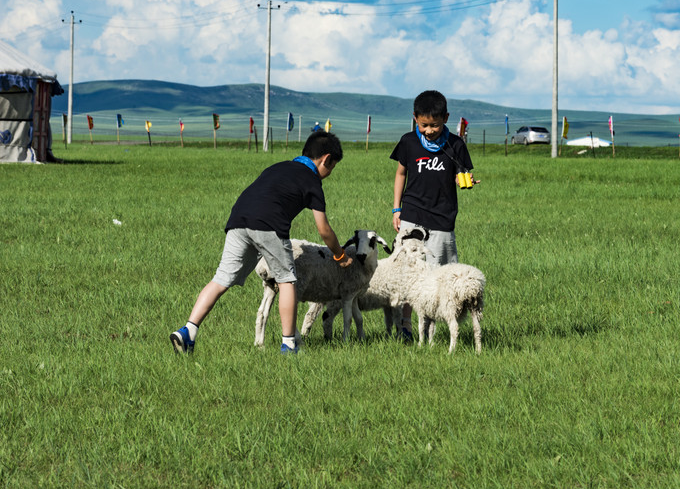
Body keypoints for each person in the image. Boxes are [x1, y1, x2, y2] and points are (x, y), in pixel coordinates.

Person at [170, 131, 353, 355]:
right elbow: (324, 229)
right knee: (287, 280)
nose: (329, 173)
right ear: (325, 159)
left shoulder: (277, 167)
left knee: (221, 279)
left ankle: (188, 331)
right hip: (269, 224)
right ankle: (289, 344)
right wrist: (340, 255)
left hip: (238, 220)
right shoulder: (312, 180)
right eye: (331, 167)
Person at [389, 90, 479, 341]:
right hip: (411, 214)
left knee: (440, 276)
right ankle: (406, 326)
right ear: (415, 118)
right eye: (424, 125)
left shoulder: (456, 144)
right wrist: (397, 208)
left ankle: (433, 331)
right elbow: (400, 174)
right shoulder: (408, 142)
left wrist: (466, 181)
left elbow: (459, 175)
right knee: (410, 276)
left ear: (446, 118)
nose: (429, 130)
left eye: (435, 125)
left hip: (442, 218)